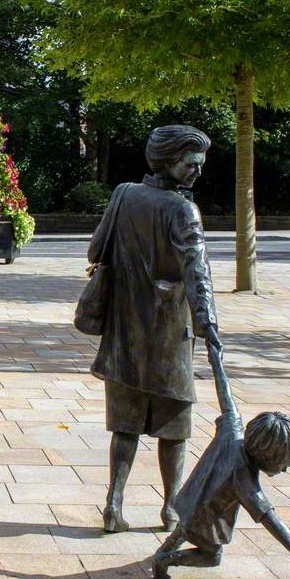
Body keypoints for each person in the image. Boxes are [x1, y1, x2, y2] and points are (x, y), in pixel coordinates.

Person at [88, 125, 218, 533]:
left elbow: (96, 249)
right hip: (167, 331)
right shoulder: (183, 211)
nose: (197, 172)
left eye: (199, 165)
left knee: (125, 423)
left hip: (123, 328)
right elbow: (198, 274)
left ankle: (113, 504)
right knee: (174, 424)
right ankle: (171, 507)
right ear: (167, 161)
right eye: (190, 164)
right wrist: (208, 324)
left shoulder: (123, 194)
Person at [152, 344, 290, 579]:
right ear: (267, 455)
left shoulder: (232, 432)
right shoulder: (244, 479)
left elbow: (226, 396)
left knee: (185, 528)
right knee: (212, 557)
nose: (285, 469)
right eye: (283, 464)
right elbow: (272, 522)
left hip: (190, 499)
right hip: (206, 518)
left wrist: (216, 358)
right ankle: (167, 559)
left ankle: (168, 546)